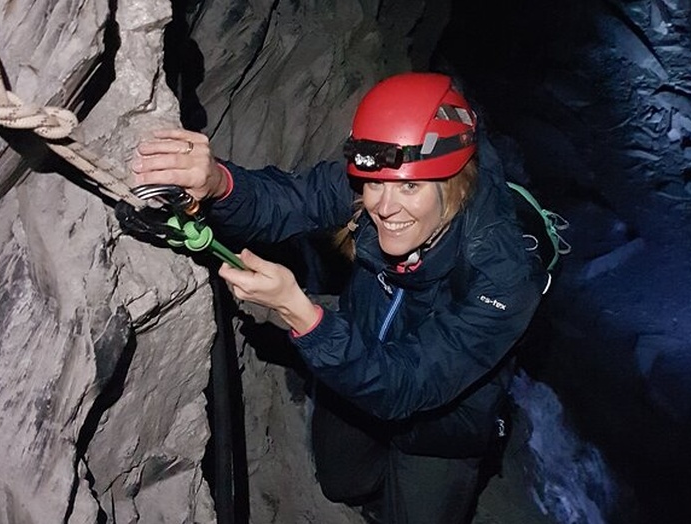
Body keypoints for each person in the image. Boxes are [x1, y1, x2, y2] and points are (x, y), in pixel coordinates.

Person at [131, 72, 546, 523]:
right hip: (360, 355)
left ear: (452, 182)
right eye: (375, 185)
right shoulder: (376, 178)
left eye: (410, 187)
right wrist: (219, 183)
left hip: (443, 423)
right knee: (340, 482)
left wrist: (302, 315)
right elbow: (290, 199)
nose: (385, 207)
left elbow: (409, 384)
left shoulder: (503, 274)